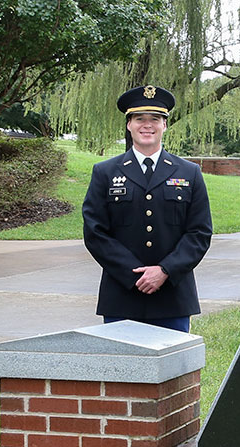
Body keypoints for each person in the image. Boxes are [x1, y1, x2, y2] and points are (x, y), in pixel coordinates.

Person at [82, 85, 213, 333]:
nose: (147, 125)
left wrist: (165, 270)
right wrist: (135, 277)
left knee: (174, 370)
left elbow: (199, 233)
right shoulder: (105, 172)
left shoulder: (189, 173)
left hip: (173, 297)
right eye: (140, 119)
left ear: (165, 125)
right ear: (129, 124)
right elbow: (95, 233)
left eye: (155, 119)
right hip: (122, 296)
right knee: (120, 368)